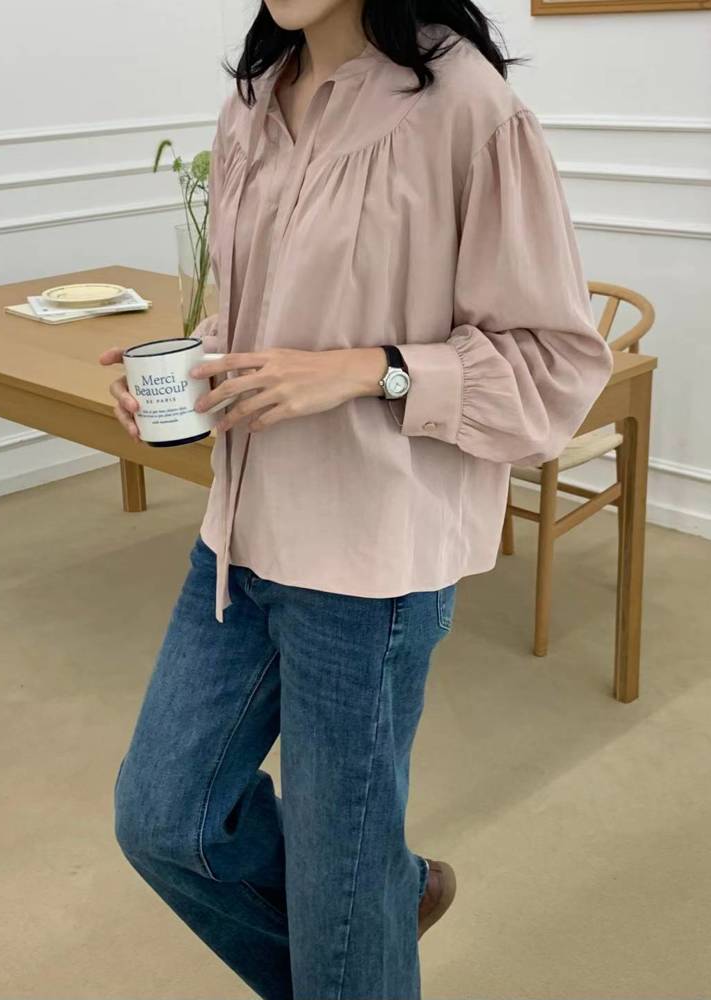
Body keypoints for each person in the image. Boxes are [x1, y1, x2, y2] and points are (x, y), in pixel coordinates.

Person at [99, 2, 614, 997]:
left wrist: (368, 368)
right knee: (164, 818)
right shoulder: (253, 101)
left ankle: (363, 915)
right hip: (241, 536)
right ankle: (379, 902)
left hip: (369, 561)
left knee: (341, 910)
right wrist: (196, 369)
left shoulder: (467, 108)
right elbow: (262, 316)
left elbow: (553, 365)